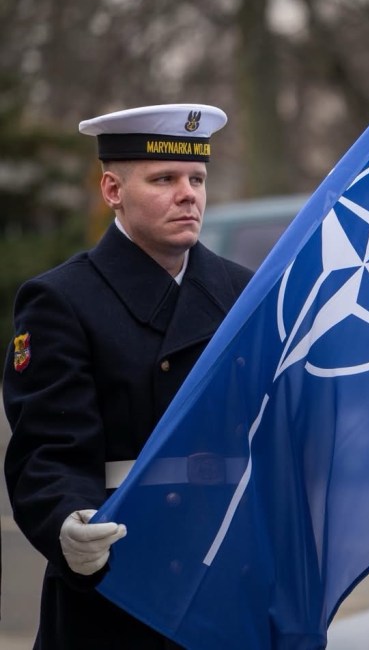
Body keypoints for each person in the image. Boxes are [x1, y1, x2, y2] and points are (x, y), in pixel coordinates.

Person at [3, 104, 253, 648]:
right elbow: (48, 449)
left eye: (197, 178)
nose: (188, 194)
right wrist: (68, 521)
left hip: (227, 571)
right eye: (163, 179)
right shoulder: (62, 301)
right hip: (119, 577)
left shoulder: (244, 293)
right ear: (112, 190)